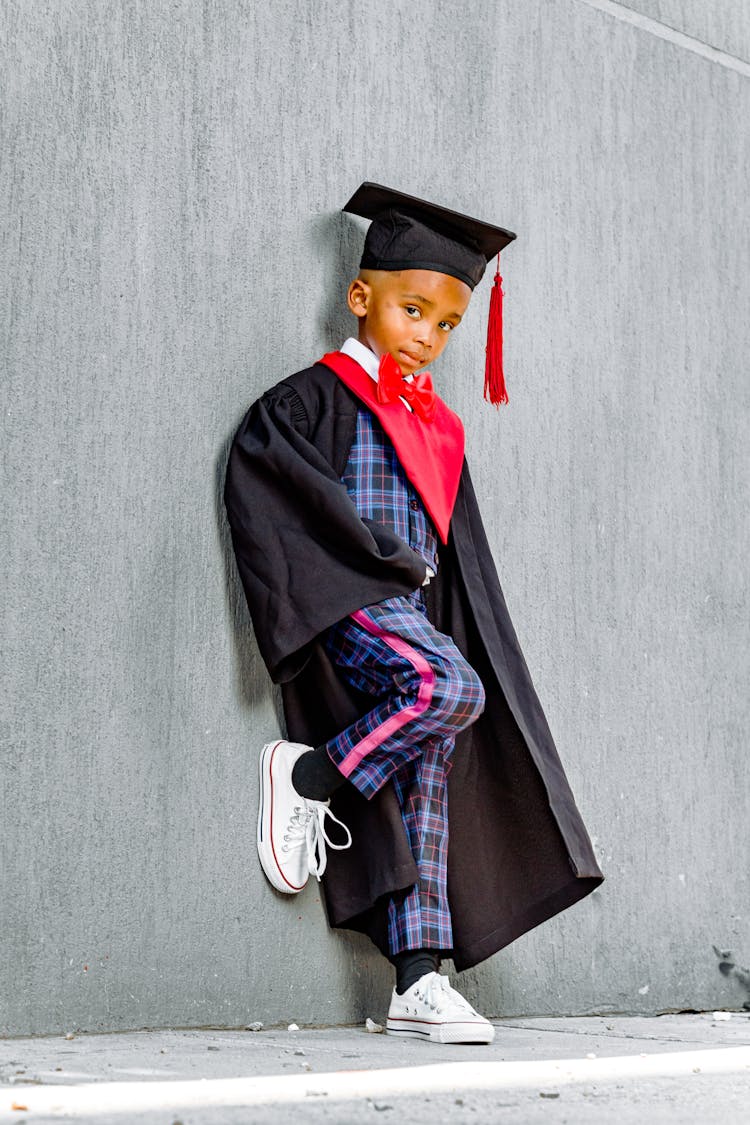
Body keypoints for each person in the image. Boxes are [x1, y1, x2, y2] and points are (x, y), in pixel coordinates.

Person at [224, 183, 603, 1045]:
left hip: (406, 612)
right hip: (349, 597)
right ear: (361, 298)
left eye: (445, 324)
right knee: (446, 686)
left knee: (429, 769)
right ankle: (308, 774)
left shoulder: (437, 429)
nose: (428, 335)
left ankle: (418, 976)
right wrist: (372, 563)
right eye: (412, 309)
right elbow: (279, 500)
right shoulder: (309, 402)